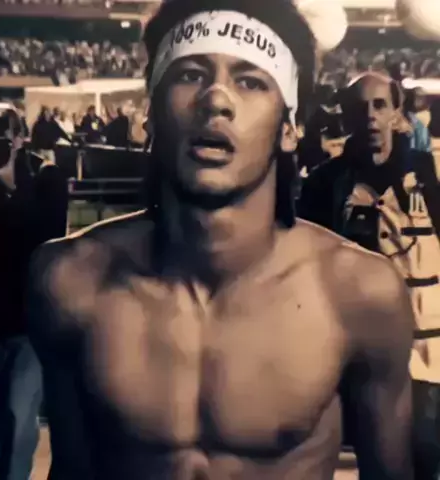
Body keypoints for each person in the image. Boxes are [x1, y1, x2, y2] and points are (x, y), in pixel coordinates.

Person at [28, 1, 414, 479]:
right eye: (190, 75)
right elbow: (72, 469)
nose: (216, 99)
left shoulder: (359, 294)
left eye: (250, 81)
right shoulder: (70, 281)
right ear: (151, 115)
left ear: (290, 128)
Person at [298, 72, 440, 479]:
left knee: (427, 457)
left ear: (396, 111)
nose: (371, 117)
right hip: (362, 354)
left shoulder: (427, 173)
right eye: (360, 108)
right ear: (346, 116)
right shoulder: (326, 183)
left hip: (427, 349)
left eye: (380, 105)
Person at [0, 105, 69, 480]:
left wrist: (9, 186)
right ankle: (6, 463)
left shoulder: (46, 177)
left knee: (18, 412)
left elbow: (48, 235)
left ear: (21, 139)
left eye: (2, 139)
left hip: (30, 318)